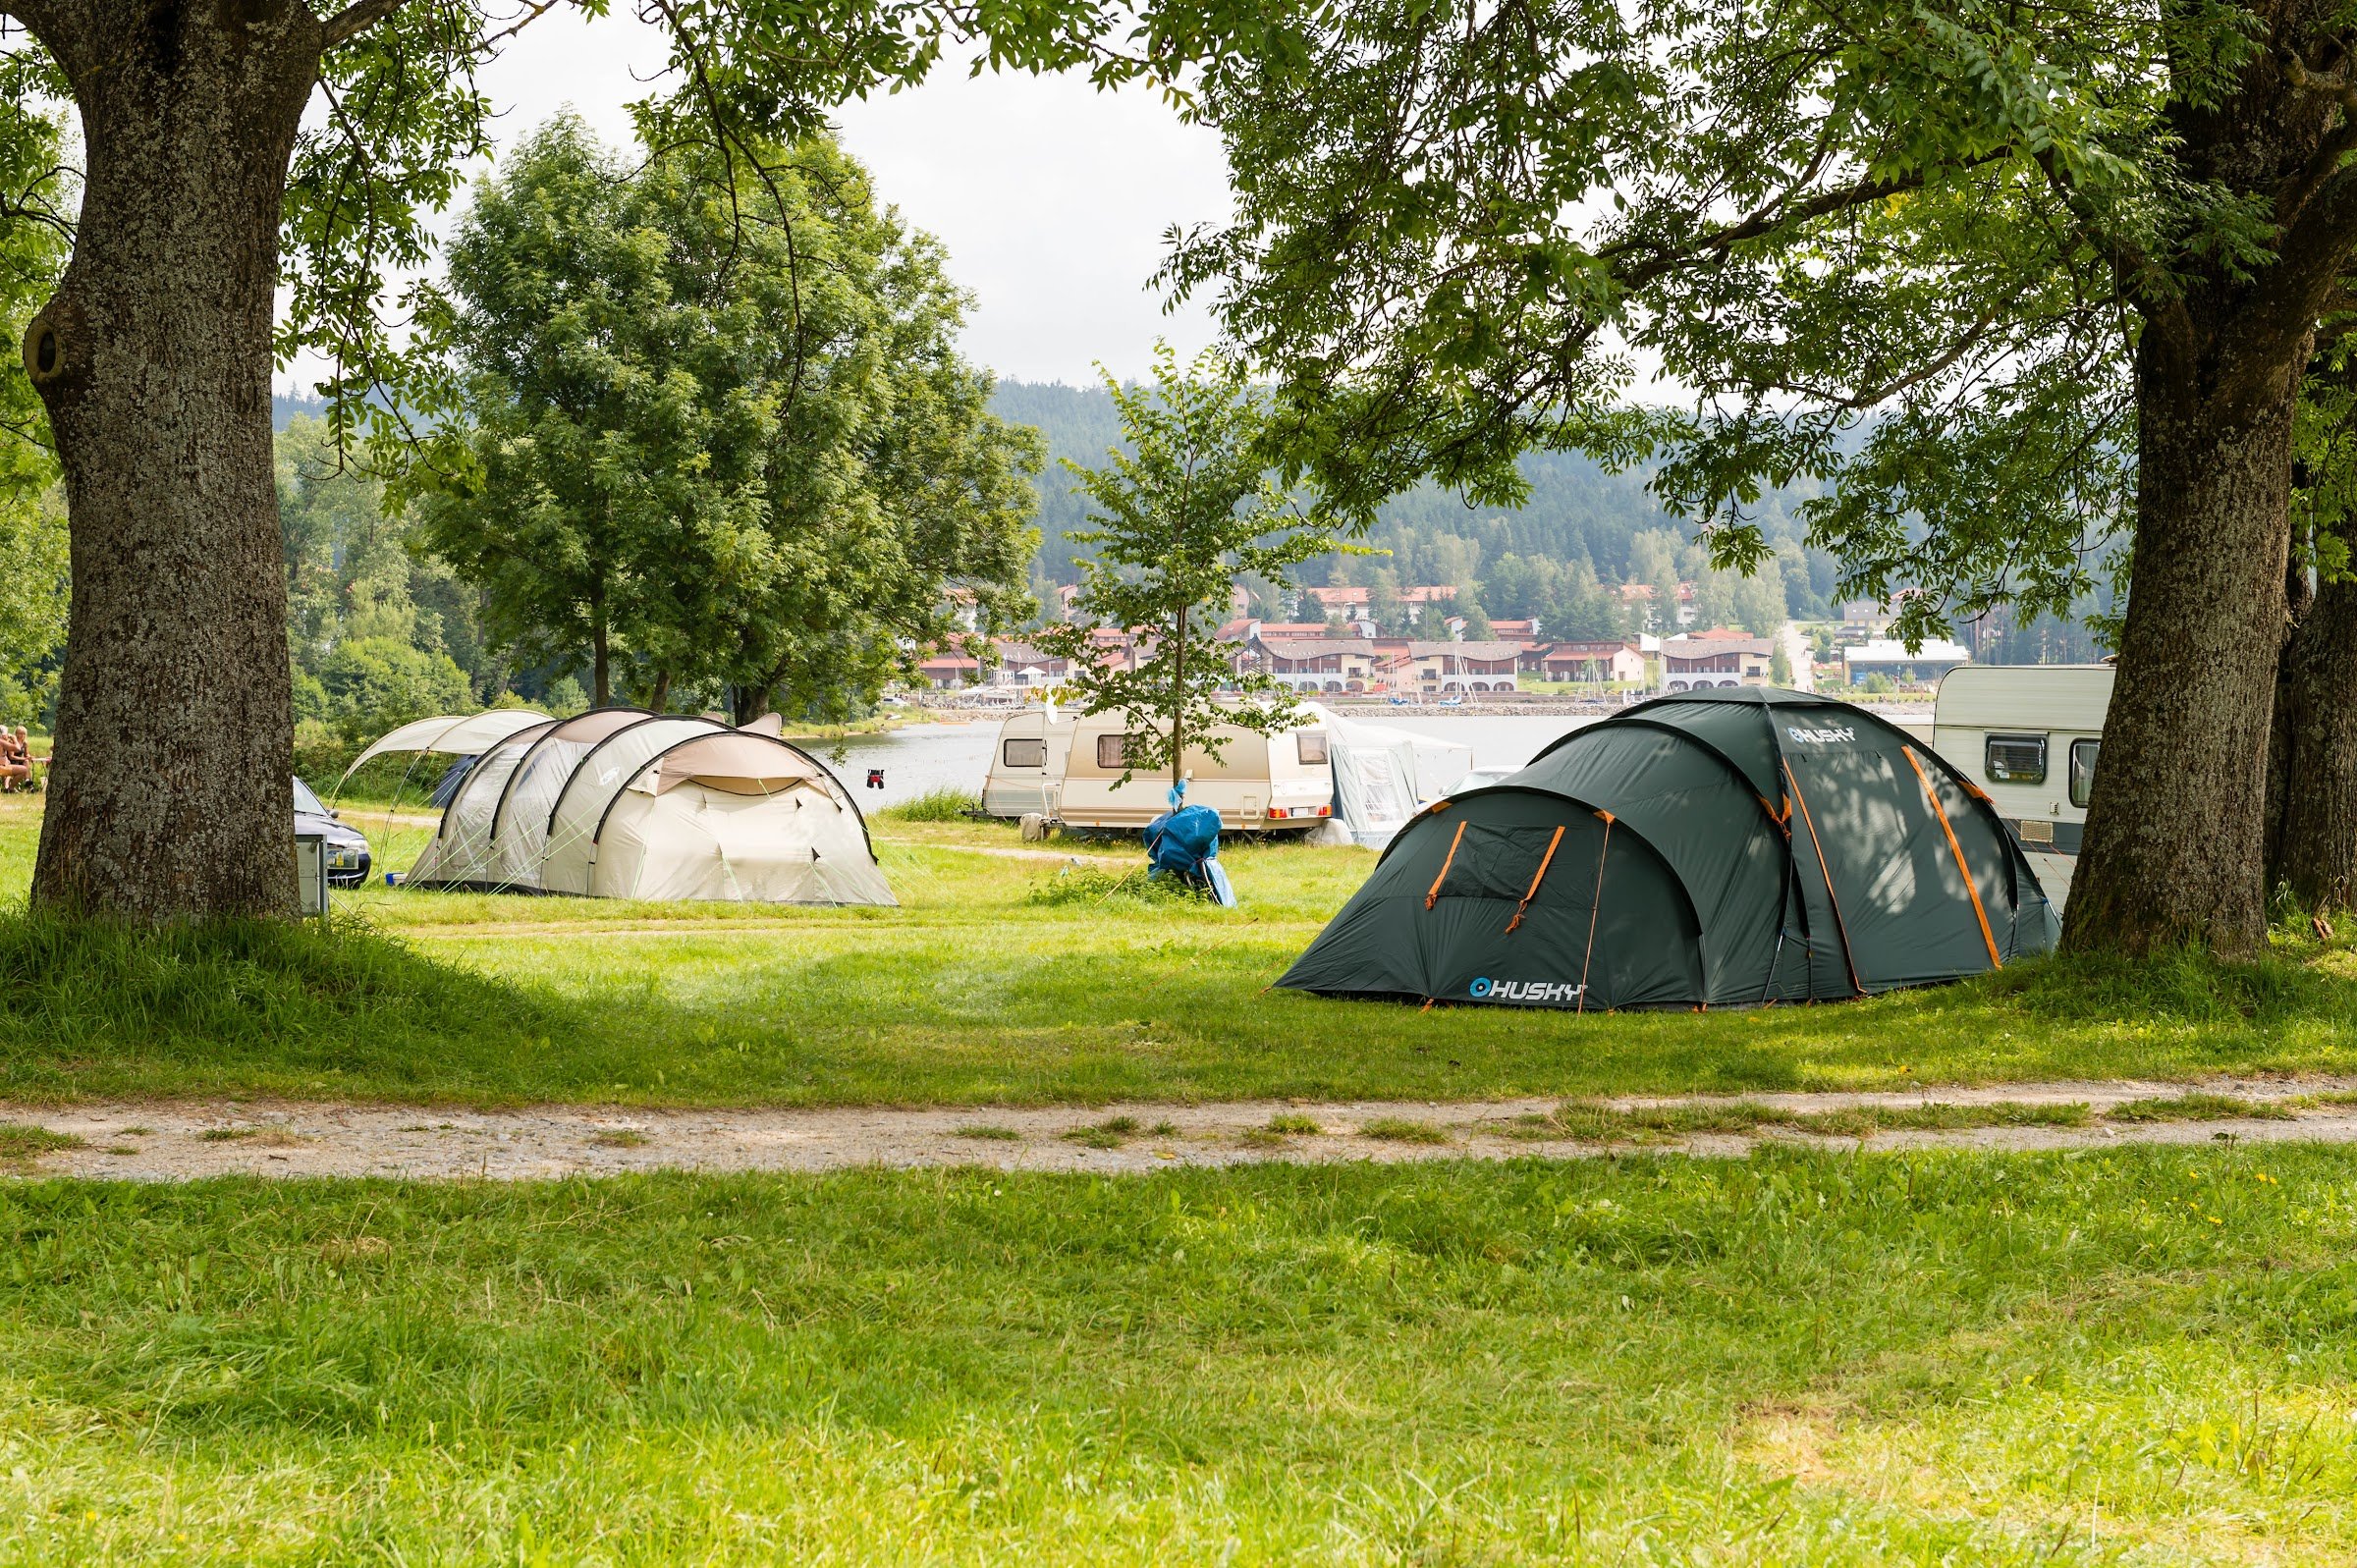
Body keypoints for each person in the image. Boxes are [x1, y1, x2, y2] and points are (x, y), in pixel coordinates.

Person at [0, 728, 27, 793]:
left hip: (4, 765)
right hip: (1, 767)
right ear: (3, 735)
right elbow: (17, 748)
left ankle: (8, 788)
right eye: (7, 734)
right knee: (23, 770)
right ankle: (10, 788)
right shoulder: (1, 742)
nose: (8, 736)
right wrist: (14, 739)